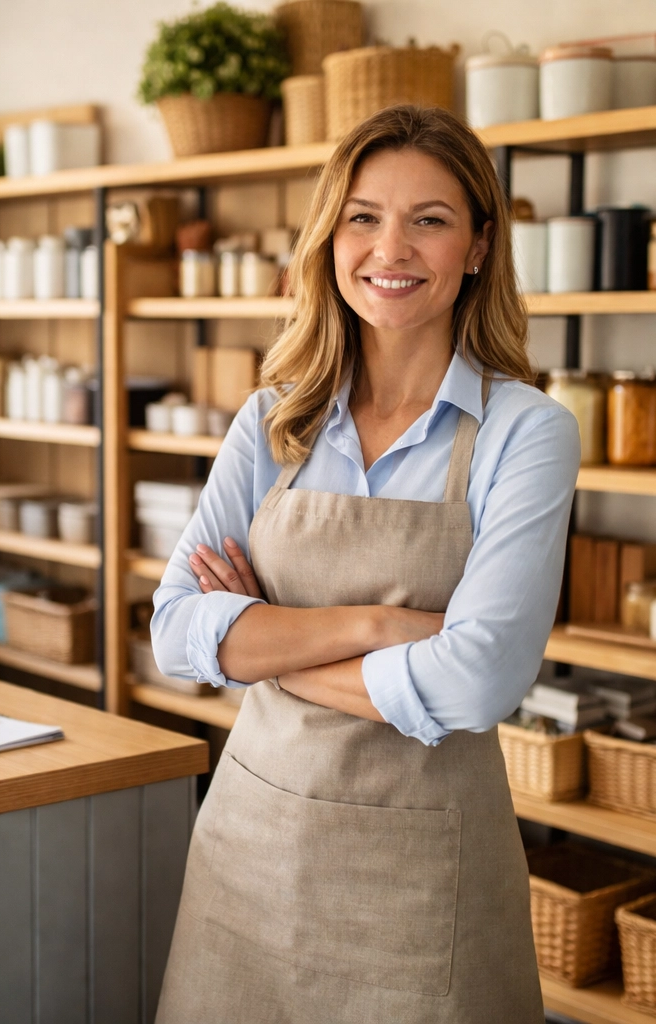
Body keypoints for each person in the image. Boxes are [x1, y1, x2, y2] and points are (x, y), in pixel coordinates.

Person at [151, 105, 579, 1022]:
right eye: (363, 216)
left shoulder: (526, 433)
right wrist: (382, 628)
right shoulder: (272, 422)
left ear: (477, 247)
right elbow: (176, 633)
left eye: (430, 218)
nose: (392, 247)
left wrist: (265, 643)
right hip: (250, 849)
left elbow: (473, 684)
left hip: (426, 878)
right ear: (329, 238)